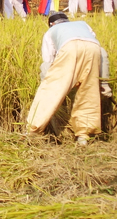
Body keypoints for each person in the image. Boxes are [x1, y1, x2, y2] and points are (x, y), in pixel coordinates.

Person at [26, 11, 103, 146]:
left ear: (51, 24)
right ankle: (83, 136)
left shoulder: (51, 31)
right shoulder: (83, 24)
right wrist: (104, 82)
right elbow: (97, 47)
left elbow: (48, 61)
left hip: (69, 47)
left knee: (52, 89)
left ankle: (33, 130)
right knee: (88, 92)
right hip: (94, 48)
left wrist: (46, 80)